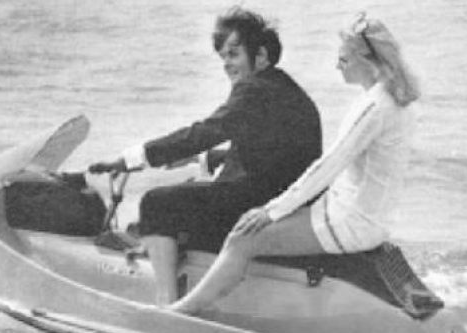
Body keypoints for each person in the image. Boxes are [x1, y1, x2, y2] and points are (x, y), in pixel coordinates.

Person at [169, 12, 421, 314]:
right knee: (258, 226)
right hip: (368, 218)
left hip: (349, 222)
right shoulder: (396, 100)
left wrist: (272, 211)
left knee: (242, 238)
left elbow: (330, 165)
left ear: (366, 60)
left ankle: (183, 311)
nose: (337, 66)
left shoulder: (374, 107)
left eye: (343, 59)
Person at [89, 7, 323, 304]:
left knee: (156, 203)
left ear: (261, 55)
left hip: (260, 204)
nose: (227, 65)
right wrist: (199, 159)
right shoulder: (284, 87)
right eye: (223, 57)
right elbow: (267, 149)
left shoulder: (253, 89)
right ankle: (169, 258)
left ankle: (165, 303)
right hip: (282, 200)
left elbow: (206, 131)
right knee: (188, 190)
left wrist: (131, 159)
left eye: (234, 54)